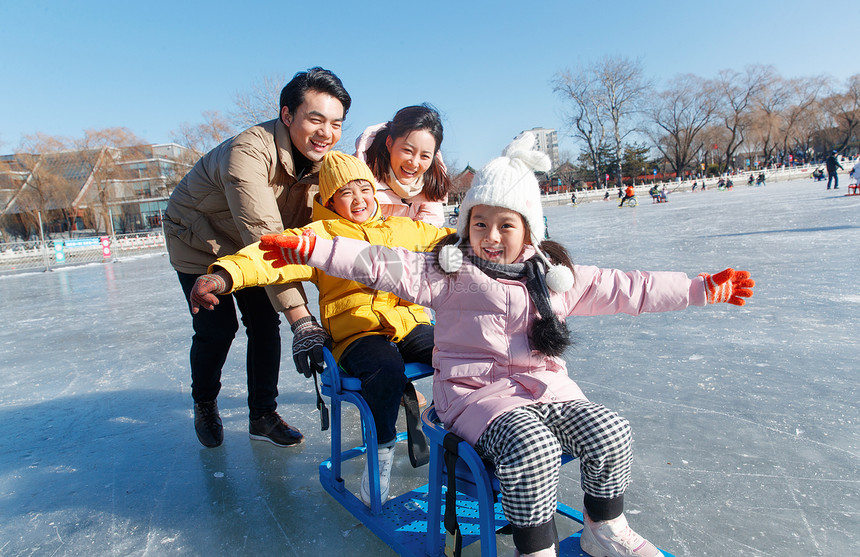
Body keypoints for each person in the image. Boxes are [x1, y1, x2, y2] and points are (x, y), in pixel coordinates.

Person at [254, 133, 755, 557]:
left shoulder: (556, 278)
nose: (490, 237)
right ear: (466, 225)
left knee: (610, 429)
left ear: (529, 229)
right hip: (472, 398)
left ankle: (604, 530)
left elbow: (629, 288)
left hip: (545, 389)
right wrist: (309, 246)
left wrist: (701, 288)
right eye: (479, 223)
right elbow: (376, 260)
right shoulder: (448, 273)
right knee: (532, 446)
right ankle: (534, 547)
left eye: (505, 225)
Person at [188, 151, 453, 506]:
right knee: (386, 369)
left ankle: (456, 435)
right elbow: (269, 258)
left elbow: (450, 240)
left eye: (364, 188)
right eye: (347, 193)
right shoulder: (319, 235)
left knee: (454, 352)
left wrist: (502, 244)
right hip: (357, 333)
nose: (359, 199)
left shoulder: (400, 227)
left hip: (408, 322)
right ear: (329, 199)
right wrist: (223, 277)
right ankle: (383, 452)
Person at [163, 67, 351, 449]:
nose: (326, 133)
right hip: (197, 237)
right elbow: (264, 234)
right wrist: (302, 321)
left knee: (264, 322)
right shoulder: (248, 151)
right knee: (217, 329)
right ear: (287, 115)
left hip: (248, 241)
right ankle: (204, 403)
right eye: (315, 119)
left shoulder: (324, 163)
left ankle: (262, 414)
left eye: (336, 123)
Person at [354, 104, 451, 226]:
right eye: (407, 151)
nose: (414, 163)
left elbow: (428, 233)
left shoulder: (433, 184)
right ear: (389, 143)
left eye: (425, 156)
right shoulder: (356, 177)